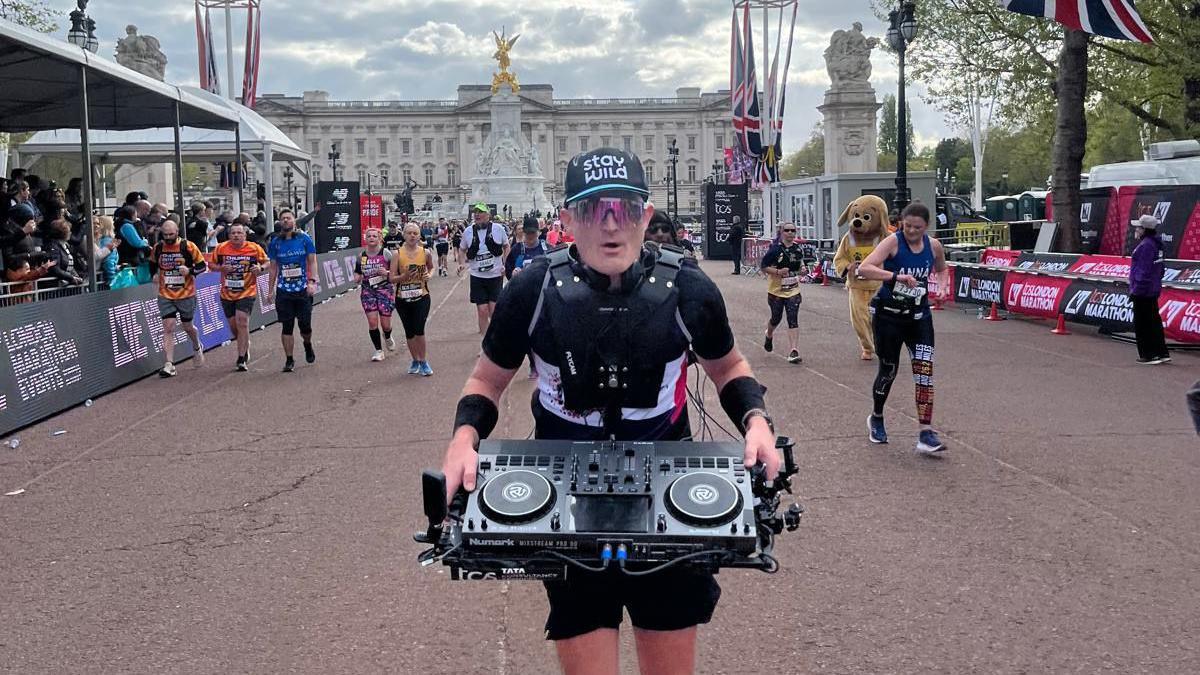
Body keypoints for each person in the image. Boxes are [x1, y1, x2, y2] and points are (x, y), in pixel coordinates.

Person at [439, 147, 781, 675]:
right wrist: (464, 438)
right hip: (565, 497)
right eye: (594, 209)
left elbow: (729, 368)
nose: (610, 225)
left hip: (669, 488)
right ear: (568, 218)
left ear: (645, 216)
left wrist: (757, 423)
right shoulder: (530, 291)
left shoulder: (690, 290)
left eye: (623, 209)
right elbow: (487, 379)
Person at [856, 202, 949, 454]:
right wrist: (896, 277)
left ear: (926, 227)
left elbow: (942, 269)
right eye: (907, 226)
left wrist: (942, 286)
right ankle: (876, 416)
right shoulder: (893, 243)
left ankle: (925, 432)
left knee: (924, 372)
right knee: (889, 370)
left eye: (917, 228)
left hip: (919, 317)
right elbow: (865, 268)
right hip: (888, 316)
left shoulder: (934, 246)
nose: (911, 231)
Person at [149, 221, 207, 377]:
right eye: (165, 235)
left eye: (171, 235)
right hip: (165, 293)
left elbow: (202, 266)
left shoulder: (188, 246)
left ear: (177, 232)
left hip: (186, 293)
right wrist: (154, 274)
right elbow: (152, 263)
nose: (168, 238)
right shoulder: (158, 248)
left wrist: (189, 270)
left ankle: (196, 345)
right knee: (168, 326)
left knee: (188, 326)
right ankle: (169, 364)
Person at [267, 209, 319, 372]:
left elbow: (312, 262)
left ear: (294, 221)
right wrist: (270, 290)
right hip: (284, 290)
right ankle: (289, 359)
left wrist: (312, 281)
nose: (285, 221)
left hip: (302, 289)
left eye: (288, 218)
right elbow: (273, 267)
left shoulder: (304, 239)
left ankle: (307, 344)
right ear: (279, 222)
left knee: (305, 326)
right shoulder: (275, 242)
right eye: (282, 219)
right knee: (287, 326)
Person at [213, 223, 268, 371]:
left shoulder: (254, 248)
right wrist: (221, 268)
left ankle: (241, 357)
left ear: (244, 235)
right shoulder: (221, 248)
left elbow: (267, 261)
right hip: (227, 292)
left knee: (242, 321)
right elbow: (211, 264)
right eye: (233, 233)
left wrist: (260, 268)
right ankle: (244, 343)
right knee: (233, 326)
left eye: (239, 233)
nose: (236, 235)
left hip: (247, 290)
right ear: (229, 236)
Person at [457, 202, 510, 334]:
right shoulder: (468, 231)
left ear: (488, 215)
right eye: (475, 212)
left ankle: (496, 340)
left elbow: (506, 246)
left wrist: (505, 263)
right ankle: (484, 344)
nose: (477, 214)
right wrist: (461, 263)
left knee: (494, 310)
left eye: (480, 212)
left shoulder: (498, 229)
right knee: (482, 311)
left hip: (495, 275)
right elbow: (462, 249)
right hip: (477, 276)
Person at [390, 222, 435, 375]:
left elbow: (431, 267)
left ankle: (423, 361)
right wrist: (404, 276)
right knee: (409, 332)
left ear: (419, 236)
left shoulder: (425, 252)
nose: (412, 236)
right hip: (402, 298)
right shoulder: (397, 254)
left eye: (415, 233)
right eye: (409, 233)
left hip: (421, 296)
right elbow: (391, 278)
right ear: (404, 235)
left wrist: (429, 275)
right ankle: (415, 359)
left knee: (419, 330)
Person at [760, 223, 806, 364]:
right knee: (776, 318)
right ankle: (769, 334)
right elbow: (763, 267)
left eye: (793, 230)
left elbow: (800, 264)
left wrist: (803, 269)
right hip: (776, 291)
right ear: (781, 232)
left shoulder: (798, 249)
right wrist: (778, 272)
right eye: (787, 230)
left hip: (793, 290)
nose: (790, 233)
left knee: (792, 318)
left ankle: (794, 350)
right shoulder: (775, 250)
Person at [1129, 214, 1170, 365]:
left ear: (1144, 229)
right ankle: (1161, 352)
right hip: (1152, 289)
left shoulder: (1146, 246)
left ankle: (1148, 354)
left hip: (1143, 290)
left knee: (1143, 322)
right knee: (1154, 321)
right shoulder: (1157, 245)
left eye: (1138, 227)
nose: (1136, 230)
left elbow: (1143, 271)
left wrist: (1137, 289)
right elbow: (1160, 269)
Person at [353, 227, 397, 362]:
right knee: (372, 322)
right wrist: (357, 277)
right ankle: (378, 350)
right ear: (365, 239)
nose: (371, 238)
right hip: (368, 290)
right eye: (369, 236)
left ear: (379, 239)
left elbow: (396, 272)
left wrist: (387, 273)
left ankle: (388, 336)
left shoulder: (386, 254)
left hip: (384, 289)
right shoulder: (362, 256)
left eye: (374, 236)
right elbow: (357, 272)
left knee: (386, 325)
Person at [505, 215, 551, 279]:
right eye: (528, 233)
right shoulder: (516, 249)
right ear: (523, 232)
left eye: (533, 232)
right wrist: (512, 274)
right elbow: (508, 269)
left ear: (538, 232)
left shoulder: (547, 248)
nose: (530, 236)